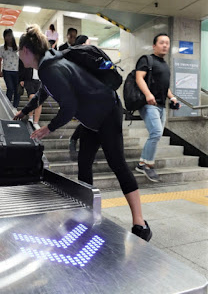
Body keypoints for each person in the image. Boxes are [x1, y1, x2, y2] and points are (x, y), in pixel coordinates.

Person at [14, 24, 152, 242]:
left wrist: (48, 129)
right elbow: (43, 93)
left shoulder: (50, 67)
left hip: (107, 112)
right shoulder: (49, 63)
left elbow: (69, 107)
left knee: (117, 163)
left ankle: (140, 223)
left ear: (25, 51)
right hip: (92, 119)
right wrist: (25, 111)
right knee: (84, 162)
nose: (19, 57)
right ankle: (86, 212)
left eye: (19, 52)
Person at [135, 33, 180, 182]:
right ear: (154, 45)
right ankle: (149, 165)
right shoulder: (146, 60)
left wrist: (172, 97)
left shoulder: (165, 65)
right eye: (162, 43)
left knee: (157, 134)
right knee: (155, 132)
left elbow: (164, 86)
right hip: (149, 104)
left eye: (167, 43)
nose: (165, 45)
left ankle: (141, 163)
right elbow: (139, 78)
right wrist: (148, 94)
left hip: (161, 105)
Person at [0, 29, 20, 108]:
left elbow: (22, 60)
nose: (8, 38)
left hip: (17, 72)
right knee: (10, 88)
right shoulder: (2, 48)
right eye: (6, 36)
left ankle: (15, 107)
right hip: (7, 71)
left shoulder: (17, 48)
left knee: (17, 91)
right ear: (4, 37)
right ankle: (7, 106)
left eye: (9, 35)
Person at [19, 59, 42, 130]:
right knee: (32, 97)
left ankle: (36, 122)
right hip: (29, 79)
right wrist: (21, 79)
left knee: (40, 101)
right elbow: (21, 65)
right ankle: (31, 117)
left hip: (40, 80)